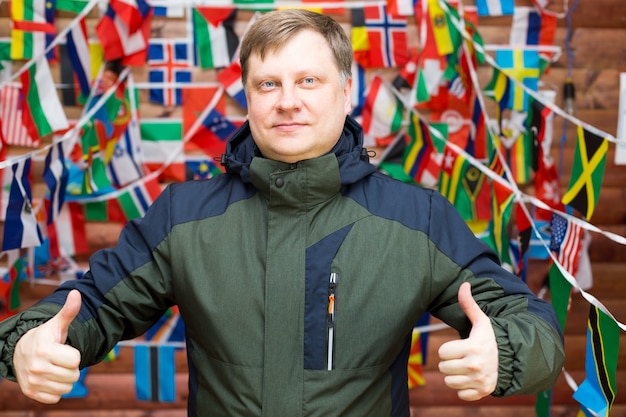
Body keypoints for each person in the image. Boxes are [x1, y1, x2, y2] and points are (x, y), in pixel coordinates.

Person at [0, 9, 564, 416]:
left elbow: (529, 318)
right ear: (248, 96)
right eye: (267, 83)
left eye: (308, 81)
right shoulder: (182, 215)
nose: (286, 100)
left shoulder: (415, 218)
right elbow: (92, 304)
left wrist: (506, 350)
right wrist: (31, 339)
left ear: (346, 93)